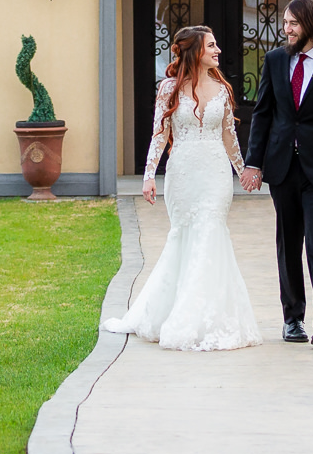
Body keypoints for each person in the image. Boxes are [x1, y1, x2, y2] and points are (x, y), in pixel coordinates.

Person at [101, 25, 262, 351]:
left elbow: (229, 137)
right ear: (195, 51)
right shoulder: (169, 89)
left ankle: (206, 318)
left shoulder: (222, 89)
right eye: (212, 46)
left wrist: (244, 172)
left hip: (216, 174)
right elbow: (159, 135)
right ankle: (172, 313)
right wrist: (148, 175)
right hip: (183, 174)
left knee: (210, 233)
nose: (218, 51)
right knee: (185, 235)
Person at [240, 0, 313, 348]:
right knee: (288, 243)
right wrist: (254, 162)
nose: (286, 29)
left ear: (310, 25)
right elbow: (262, 114)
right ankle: (292, 320)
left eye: (293, 23)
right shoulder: (274, 61)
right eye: (285, 23)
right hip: (282, 168)